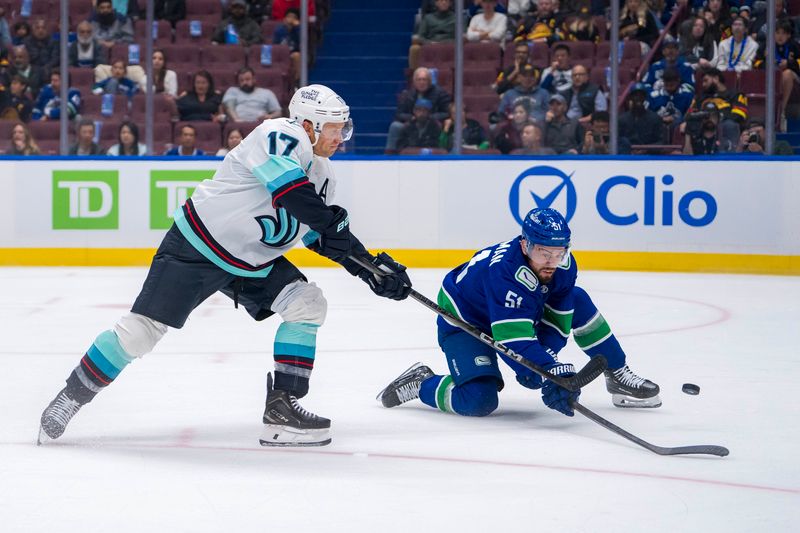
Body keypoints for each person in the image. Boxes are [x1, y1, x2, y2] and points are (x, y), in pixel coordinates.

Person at [38, 84, 412, 448]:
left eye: (344, 128)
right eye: (335, 128)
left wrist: (371, 270)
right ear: (310, 125)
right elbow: (292, 195)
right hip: (197, 246)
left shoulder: (324, 172)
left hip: (251, 261)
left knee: (307, 304)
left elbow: (321, 235)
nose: (341, 137)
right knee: (140, 334)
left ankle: (281, 408)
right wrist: (332, 226)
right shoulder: (280, 133)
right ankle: (71, 395)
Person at [376, 208, 661, 420]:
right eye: (543, 253)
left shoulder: (562, 264)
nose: (551, 261)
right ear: (525, 245)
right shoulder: (505, 275)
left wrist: (547, 367)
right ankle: (422, 382)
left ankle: (617, 372)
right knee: (478, 401)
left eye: (558, 253)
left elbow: (560, 315)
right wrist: (546, 370)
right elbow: (513, 339)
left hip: (512, 317)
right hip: (465, 321)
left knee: (578, 299)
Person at [385, 67, 451, 153]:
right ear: (414, 82)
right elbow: (399, 114)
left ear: (430, 81)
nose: (421, 82)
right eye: (419, 80)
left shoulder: (440, 93)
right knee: (395, 126)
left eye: (424, 79)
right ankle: (390, 156)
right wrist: (412, 118)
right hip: (413, 124)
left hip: (433, 124)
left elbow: (447, 113)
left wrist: (430, 117)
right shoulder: (408, 94)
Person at [409, 0, 456, 71]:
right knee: (414, 48)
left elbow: (462, 36)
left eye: (446, 1)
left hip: (450, 46)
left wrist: (448, 43)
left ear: (450, 3)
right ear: (436, 3)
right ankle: (416, 75)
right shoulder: (428, 18)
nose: (444, 3)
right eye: (441, 1)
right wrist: (429, 43)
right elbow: (421, 36)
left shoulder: (457, 18)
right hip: (431, 45)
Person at [618, 83, 665, 147]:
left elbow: (661, 142)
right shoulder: (622, 119)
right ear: (630, 97)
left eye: (641, 95)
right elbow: (617, 141)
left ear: (645, 97)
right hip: (627, 154)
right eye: (636, 95)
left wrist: (646, 149)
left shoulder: (655, 118)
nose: (638, 98)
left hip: (649, 154)